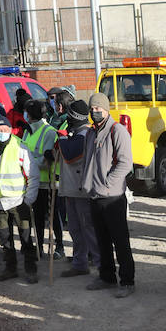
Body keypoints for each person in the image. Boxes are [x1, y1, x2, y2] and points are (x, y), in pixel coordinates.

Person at [84, 92, 136, 298]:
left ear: (106, 109)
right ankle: (106, 276)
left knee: (120, 240)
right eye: (92, 109)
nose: (95, 112)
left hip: (112, 196)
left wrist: (107, 183)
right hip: (94, 195)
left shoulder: (117, 130)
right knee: (101, 240)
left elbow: (125, 163)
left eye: (98, 109)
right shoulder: (90, 133)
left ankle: (127, 280)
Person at [0, 112, 39, 284]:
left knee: (26, 236)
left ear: (11, 130)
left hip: (20, 201)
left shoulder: (21, 147)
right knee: (5, 238)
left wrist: (29, 199)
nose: (2, 132)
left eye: (5, 129)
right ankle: (10, 268)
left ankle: (31, 269)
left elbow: (32, 175)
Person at [57, 99, 99, 277]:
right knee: (75, 229)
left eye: (70, 115)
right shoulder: (76, 134)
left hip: (82, 190)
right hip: (71, 188)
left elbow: (70, 155)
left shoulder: (85, 134)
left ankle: (101, 265)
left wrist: (61, 138)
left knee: (88, 229)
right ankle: (80, 263)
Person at [22, 100, 63, 259]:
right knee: (37, 218)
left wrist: (27, 165)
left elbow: (45, 160)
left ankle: (59, 246)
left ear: (31, 115)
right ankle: (39, 246)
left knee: (54, 217)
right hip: (33, 182)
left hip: (48, 182)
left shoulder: (49, 132)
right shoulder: (28, 131)